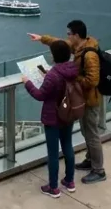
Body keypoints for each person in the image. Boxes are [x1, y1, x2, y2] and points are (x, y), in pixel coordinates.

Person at [29, 19, 107, 183]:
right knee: (86, 131)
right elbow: (60, 44)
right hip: (81, 98)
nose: (67, 36)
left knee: (91, 134)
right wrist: (41, 38)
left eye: (69, 34)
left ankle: (99, 170)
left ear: (76, 35)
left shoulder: (89, 54)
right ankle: (90, 160)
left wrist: (73, 80)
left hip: (90, 100)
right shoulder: (79, 47)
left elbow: (92, 80)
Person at [23, 40, 79, 198]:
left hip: (53, 117)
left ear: (54, 56)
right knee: (68, 145)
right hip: (68, 113)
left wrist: (27, 83)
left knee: (53, 153)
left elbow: (40, 95)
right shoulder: (73, 69)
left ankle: (53, 187)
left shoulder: (53, 75)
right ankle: (69, 181)